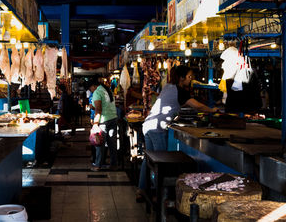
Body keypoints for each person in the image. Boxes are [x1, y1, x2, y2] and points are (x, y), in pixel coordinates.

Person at [136, 65, 219, 202]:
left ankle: (141, 189)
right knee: (160, 163)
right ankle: (159, 195)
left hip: (148, 126)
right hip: (157, 129)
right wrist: (212, 110)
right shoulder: (180, 91)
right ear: (181, 78)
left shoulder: (169, 86)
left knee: (149, 159)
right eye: (189, 77)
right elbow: (197, 106)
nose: (191, 79)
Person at [88, 77, 118, 171]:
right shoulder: (106, 89)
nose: (91, 91)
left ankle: (97, 166)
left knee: (99, 143)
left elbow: (98, 109)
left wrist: (96, 123)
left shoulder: (97, 92)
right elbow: (104, 105)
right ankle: (114, 165)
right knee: (112, 144)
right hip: (113, 118)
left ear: (93, 86)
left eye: (90, 89)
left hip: (104, 120)